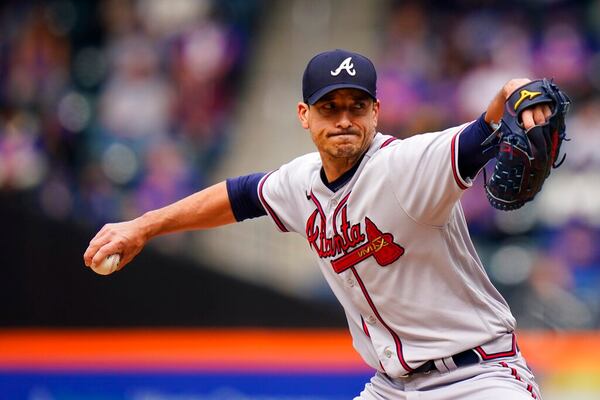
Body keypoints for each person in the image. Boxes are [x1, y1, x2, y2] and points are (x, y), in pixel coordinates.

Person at [84, 49, 553, 399]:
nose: (345, 119)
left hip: (477, 379)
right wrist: (144, 226)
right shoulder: (299, 182)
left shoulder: (407, 164)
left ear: (376, 111)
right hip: (392, 386)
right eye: (330, 107)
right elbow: (238, 196)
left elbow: (480, 132)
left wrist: (513, 91)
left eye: (357, 106)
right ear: (304, 116)